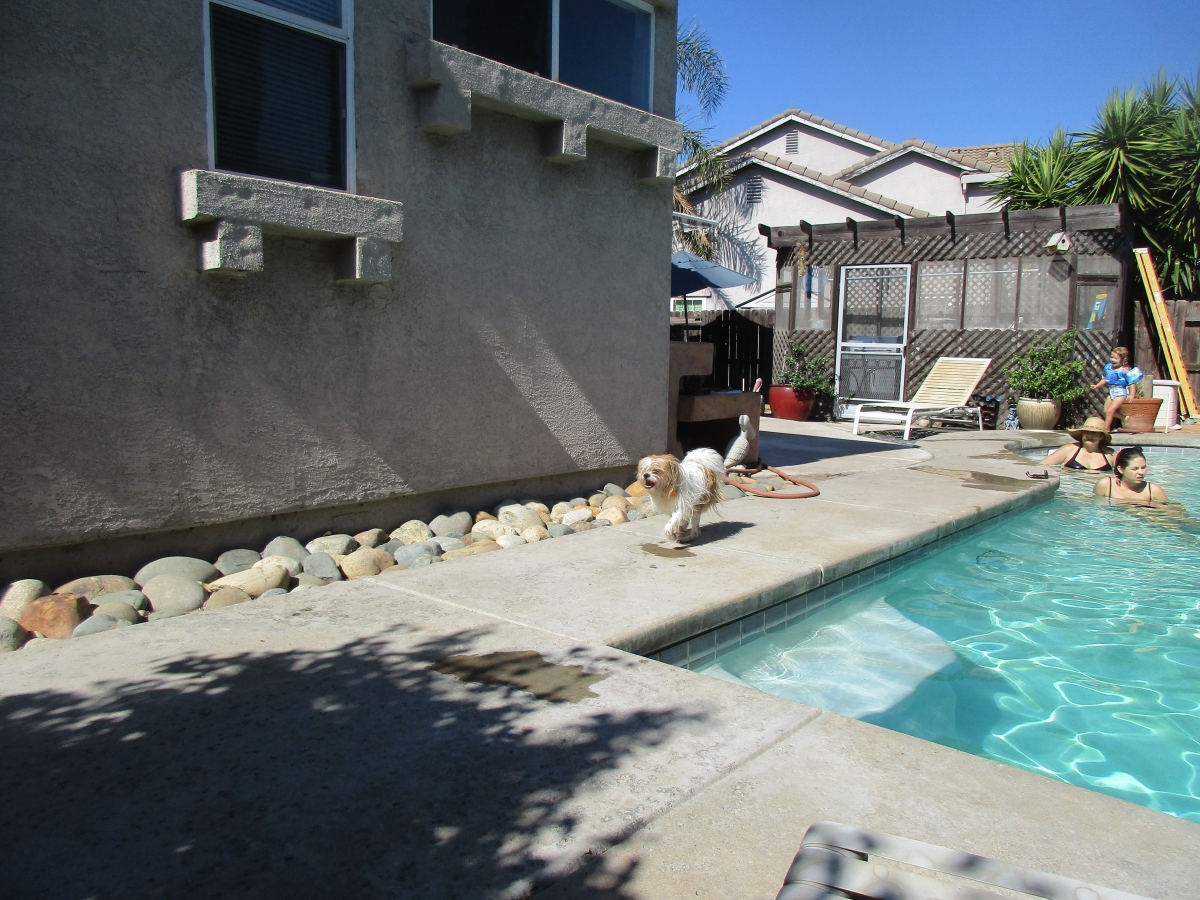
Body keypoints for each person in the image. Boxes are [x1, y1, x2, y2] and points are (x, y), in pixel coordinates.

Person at [1090, 346, 1143, 432]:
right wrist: (1097, 386)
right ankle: (1123, 417)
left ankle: (1106, 430)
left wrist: (1131, 394)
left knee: (1110, 411)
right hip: (1111, 391)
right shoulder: (1109, 368)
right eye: (1112, 357)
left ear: (1123, 360)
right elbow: (1105, 379)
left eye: (1116, 358)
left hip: (1120, 392)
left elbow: (1131, 383)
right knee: (1106, 410)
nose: (1112, 360)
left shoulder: (1125, 371)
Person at [1093, 447, 1168, 504]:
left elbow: (1168, 514)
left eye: (1143, 467)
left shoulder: (1153, 491)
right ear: (1121, 469)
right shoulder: (1106, 485)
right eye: (1135, 469)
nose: (1141, 472)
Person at [1043, 417, 1114, 471]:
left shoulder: (1110, 455)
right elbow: (1041, 466)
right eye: (1086, 432)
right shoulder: (1069, 450)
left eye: (1094, 433)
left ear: (1101, 436)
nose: (1089, 436)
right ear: (1082, 434)